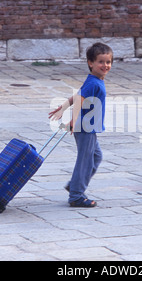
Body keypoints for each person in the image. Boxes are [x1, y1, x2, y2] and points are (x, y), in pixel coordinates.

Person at [48, 43, 113, 208]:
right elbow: (80, 100)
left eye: (108, 62)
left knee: (95, 157)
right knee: (85, 161)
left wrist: (63, 107)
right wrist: (73, 119)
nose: (105, 65)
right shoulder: (94, 82)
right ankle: (76, 195)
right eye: (101, 62)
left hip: (87, 126)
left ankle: (75, 185)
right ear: (90, 63)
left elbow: (77, 95)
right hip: (85, 127)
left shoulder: (93, 80)